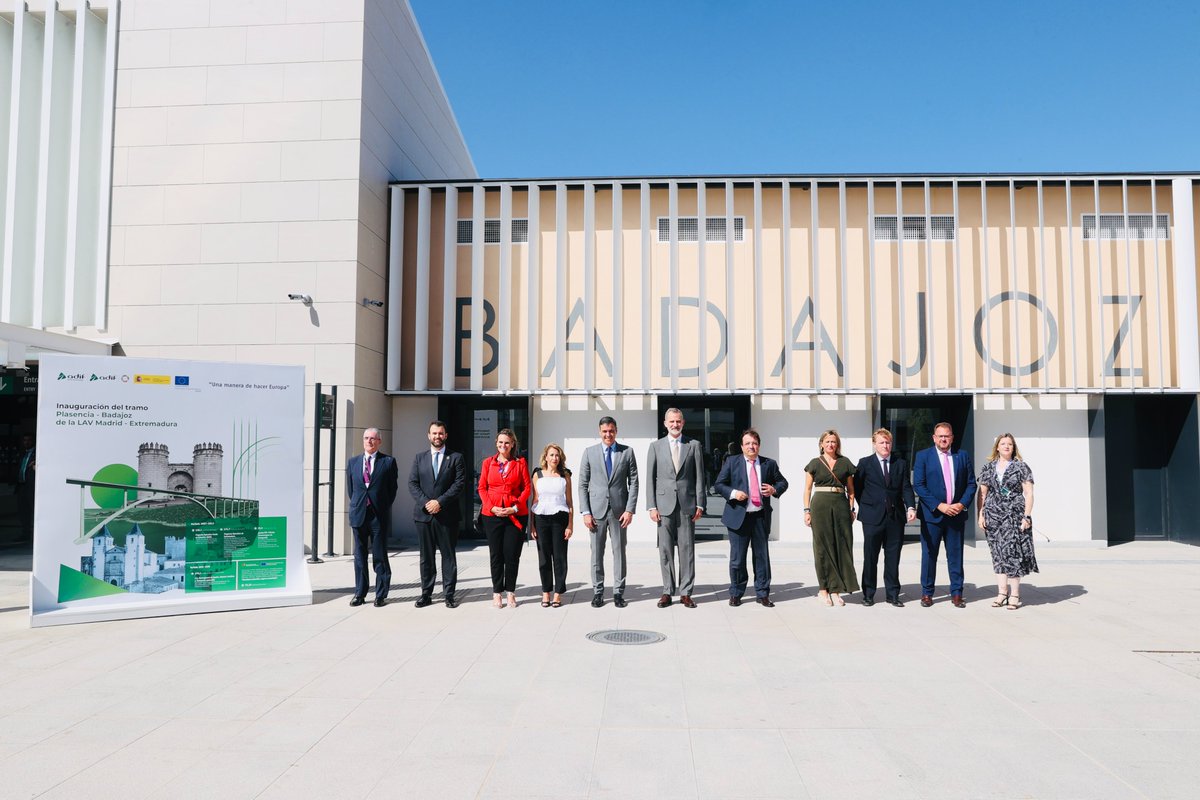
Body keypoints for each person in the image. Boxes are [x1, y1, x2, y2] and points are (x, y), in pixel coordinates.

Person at [714, 429, 788, 607]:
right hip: (738, 517)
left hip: (760, 517)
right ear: (742, 446)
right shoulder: (732, 462)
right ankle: (736, 593)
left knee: (761, 557)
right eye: (747, 443)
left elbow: (783, 482)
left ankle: (762, 593)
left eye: (754, 443)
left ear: (759, 445)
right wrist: (733, 493)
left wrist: (773, 489)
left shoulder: (769, 464)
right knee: (737, 558)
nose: (751, 446)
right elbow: (719, 484)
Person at [646, 408, 706, 608]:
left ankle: (686, 592)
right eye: (671, 421)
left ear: (683, 422)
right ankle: (667, 591)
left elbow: (700, 477)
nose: (675, 424)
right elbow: (650, 479)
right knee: (665, 550)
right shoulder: (655, 446)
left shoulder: (694, 445)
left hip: (687, 504)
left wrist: (700, 503)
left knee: (687, 550)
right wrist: (651, 506)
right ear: (665, 423)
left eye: (678, 421)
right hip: (663, 505)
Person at [912, 422, 977, 608]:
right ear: (934, 437)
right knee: (929, 555)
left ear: (952, 438)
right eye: (940, 436)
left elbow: (971, 484)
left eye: (946, 436)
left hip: (956, 514)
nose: (943, 439)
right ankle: (927, 593)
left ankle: (957, 593)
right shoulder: (923, 456)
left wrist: (961, 504)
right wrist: (939, 505)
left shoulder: (962, 456)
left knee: (955, 555)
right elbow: (919, 485)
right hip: (932, 515)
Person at [579, 416, 639, 608]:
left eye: (611, 431)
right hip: (596, 512)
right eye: (604, 431)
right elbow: (582, 484)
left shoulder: (627, 452)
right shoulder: (589, 453)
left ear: (616, 431)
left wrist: (630, 510)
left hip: (619, 512)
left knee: (619, 552)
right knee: (596, 554)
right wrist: (585, 512)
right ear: (599, 431)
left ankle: (618, 593)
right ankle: (598, 592)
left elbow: (634, 482)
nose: (608, 434)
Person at [853, 428, 916, 607]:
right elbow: (857, 487)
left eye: (888, 442)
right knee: (870, 557)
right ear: (874, 444)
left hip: (895, 518)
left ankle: (893, 594)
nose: (885, 445)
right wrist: (867, 505)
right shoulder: (865, 463)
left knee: (893, 557)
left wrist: (910, 506)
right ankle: (869, 594)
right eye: (881, 442)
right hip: (872, 518)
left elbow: (906, 487)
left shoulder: (900, 463)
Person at [407, 420, 467, 608]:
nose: (437, 437)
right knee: (426, 557)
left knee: (448, 556)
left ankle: (449, 594)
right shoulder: (419, 458)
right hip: (423, 516)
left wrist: (439, 502)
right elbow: (413, 484)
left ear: (446, 435)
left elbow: (459, 484)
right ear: (428, 435)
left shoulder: (456, 458)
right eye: (434, 433)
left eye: (440, 433)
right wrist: (427, 503)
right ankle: (426, 594)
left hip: (447, 515)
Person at [977, 433, 1037, 610]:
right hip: (993, 516)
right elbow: (982, 494)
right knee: (998, 555)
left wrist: (1027, 516)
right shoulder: (988, 468)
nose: (1006, 446)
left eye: (1009, 444)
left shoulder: (1021, 467)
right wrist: (981, 515)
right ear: (997, 447)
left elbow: (1029, 493)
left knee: (1012, 554)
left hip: (1014, 516)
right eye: (1003, 444)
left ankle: (1015, 594)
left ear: (1014, 447)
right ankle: (1002, 592)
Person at [802, 430, 859, 606]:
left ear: (837, 444)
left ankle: (836, 590)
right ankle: (823, 589)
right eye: (827, 441)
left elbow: (851, 490)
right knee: (822, 547)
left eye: (833, 442)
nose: (830, 445)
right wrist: (806, 510)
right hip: (820, 505)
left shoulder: (845, 462)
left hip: (841, 506)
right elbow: (807, 490)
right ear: (821, 444)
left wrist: (851, 508)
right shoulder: (814, 463)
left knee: (841, 545)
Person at [478, 428, 531, 608]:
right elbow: (482, 488)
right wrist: (491, 507)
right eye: (500, 442)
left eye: (507, 442)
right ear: (496, 443)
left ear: (513, 444)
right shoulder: (487, 463)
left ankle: (511, 592)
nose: (503, 445)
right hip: (492, 515)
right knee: (496, 555)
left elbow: (527, 488)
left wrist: (514, 508)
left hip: (515, 514)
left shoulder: (520, 462)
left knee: (511, 555)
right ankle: (496, 592)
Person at [347, 427, 399, 607]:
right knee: (359, 556)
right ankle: (359, 594)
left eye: (373, 438)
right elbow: (351, 490)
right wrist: (358, 505)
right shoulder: (353, 462)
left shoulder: (388, 462)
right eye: (366, 438)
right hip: (359, 514)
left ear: (379, 442)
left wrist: (382, 507)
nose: (369, 441)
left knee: (379, 555)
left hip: (378, 515)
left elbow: (392, 490)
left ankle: (381, 594)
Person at [529, 443, 573, 608]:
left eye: (557, 455)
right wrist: (532, 525)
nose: (555, 458)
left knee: (560, 557)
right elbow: (534, 500)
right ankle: (546, 592)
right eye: (552, 455)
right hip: (541, 518)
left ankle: (558, 593)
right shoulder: (537, 475)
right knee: (544, 557)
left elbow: (569, 502)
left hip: (560, 518)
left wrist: (570, 524)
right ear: (545, 457)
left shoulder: (565, 475)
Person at [15, 435, 35, 540]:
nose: (26, 442)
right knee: (23, 511)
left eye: (29, 440)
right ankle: (25, 533)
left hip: (31, 486)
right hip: (22, 486)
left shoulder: (37, 454)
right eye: (24, 440)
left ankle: (35, 534)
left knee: (32, 509)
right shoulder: (23, 454)